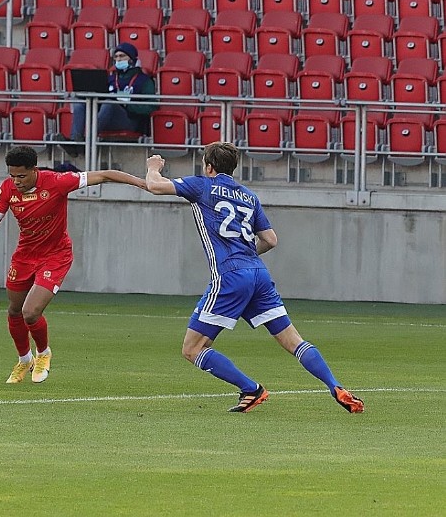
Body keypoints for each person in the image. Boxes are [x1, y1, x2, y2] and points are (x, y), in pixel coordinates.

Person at [144, 142, 365, 414]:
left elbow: (154, 185)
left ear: (209, 167)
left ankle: (251, 389)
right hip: (258, 274)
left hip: (231, 275)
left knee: (192, 349)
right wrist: (247, 253)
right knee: (294, 341)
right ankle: (335, 385)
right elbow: (270, 240)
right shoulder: (249, 196)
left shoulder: (202, 185)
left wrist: (153, 167)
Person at [0, 146, 146, 383]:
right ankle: (24, 360)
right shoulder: (7, 189)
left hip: (55, 256)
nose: (16, 181)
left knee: (30, 312)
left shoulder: (57, 182)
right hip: (24, 256)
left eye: (21, 176)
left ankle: (43, 353)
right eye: (12, 176)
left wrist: (142, 184)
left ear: (34, 170)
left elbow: (106, 174)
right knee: (14, 310)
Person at [65, 42, 157, 155]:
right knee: (79, 103)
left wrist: (128, 105)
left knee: (109, 103)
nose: (118, 59)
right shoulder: (110, 78)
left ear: (132, 59)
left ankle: (86, 142)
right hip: (105, 119)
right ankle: (75, 142)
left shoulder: (144, 80)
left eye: (122, 56)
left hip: (130, 120)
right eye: (116, 57)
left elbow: (151, 106)